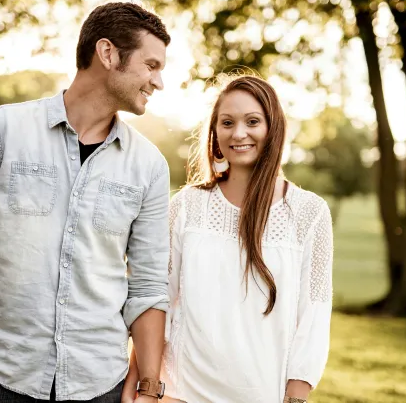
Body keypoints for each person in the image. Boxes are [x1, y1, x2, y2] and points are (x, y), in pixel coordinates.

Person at [0, 2, 172, 403]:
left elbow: (148, 285)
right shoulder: (3, 129)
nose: (159, 81)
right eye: (151, 65)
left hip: (99, 385)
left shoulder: (149, 165)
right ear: (108, 53)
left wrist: (149, 386)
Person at [123, 75, 334, 403]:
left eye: (252, 121)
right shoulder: (186, 207)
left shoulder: (309, 213)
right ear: (215, 133)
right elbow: (156, 300)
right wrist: (145, 389)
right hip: (180, 393)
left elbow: (314, 315)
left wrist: (296, 397)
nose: (238, 133)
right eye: (227, 122)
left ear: (273, 128)